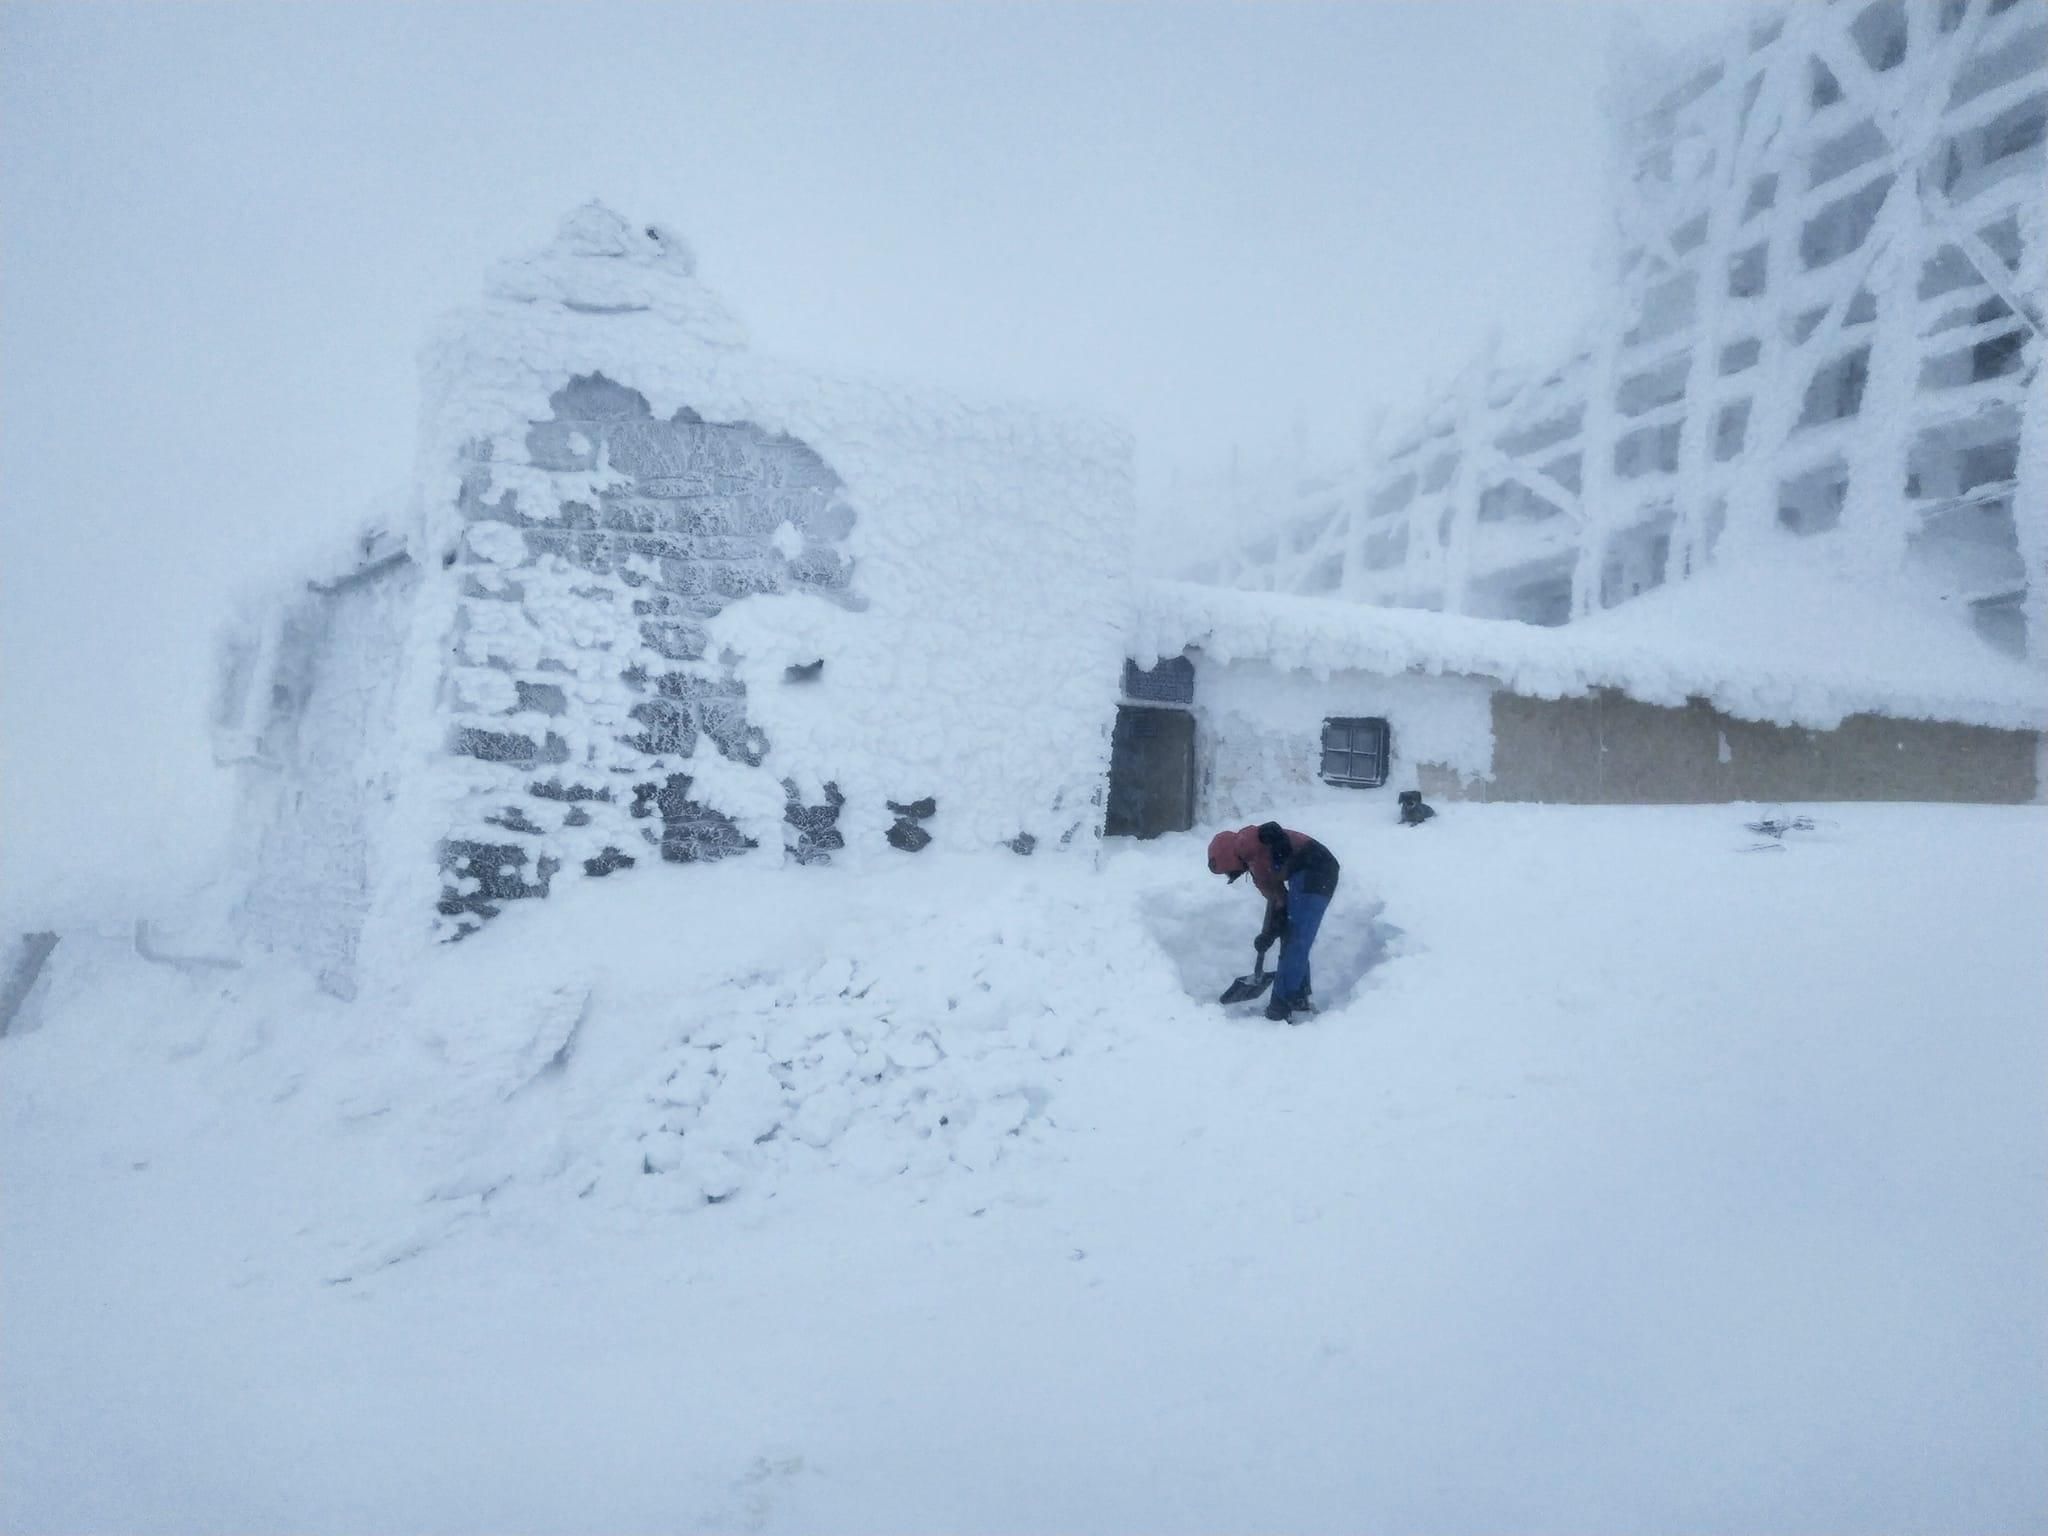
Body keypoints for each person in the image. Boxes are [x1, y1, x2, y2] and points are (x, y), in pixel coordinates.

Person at [1206, 821, 1341, 1022]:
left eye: (1228, 871)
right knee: (1290, 936)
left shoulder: (1245, 842)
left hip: (1316, 867)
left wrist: (1276, 842)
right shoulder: (1257, 873)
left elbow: (1269, 831)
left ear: (1227, 857)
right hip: (1301, 875)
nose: (1232, 875)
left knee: (1296, 939)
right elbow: (1279, 902)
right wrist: (1268, 934)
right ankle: (1298, 998)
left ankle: (1281, 1006)